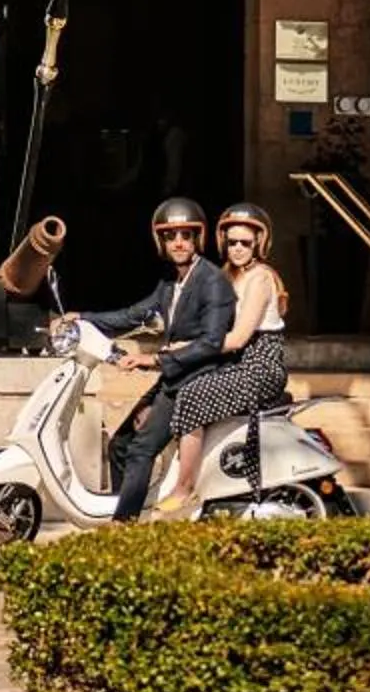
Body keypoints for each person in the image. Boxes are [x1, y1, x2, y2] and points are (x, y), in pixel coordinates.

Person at [78, 196, 236, 520]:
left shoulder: (213, 281)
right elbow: (133, 316)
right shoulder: (170, 284)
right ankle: (125, 511)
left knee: (141, 448)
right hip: (174, 376)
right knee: (119, 446)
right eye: (170, 236)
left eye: (185, 235)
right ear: (161, 241)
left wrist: (157, 361)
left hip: (197, 378)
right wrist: (81, 318)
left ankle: (124, 526)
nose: (178, 242)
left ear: (197, 238)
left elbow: (211, 342)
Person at [150, 202, 293, 518]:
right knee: (174, 387)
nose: (238, 248)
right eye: (232, 242)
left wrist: (190, 347)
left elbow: (239, 337)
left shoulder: (260, 279)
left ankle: (184, 489)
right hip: (237, 362)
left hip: (260, 366)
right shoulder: (227, 275)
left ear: (259, 242)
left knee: (193, 396)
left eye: (245, 242)